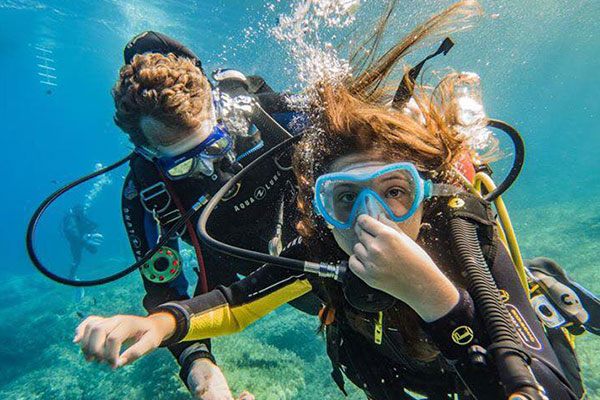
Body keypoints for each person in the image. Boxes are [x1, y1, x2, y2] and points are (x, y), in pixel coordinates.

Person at [73, 3, 594, 399]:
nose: (373, 221)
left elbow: (359, 132)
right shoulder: (160, 197)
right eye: (344, 198)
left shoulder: (276, 123)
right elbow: (222, 302)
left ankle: (543, 287)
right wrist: (189, 356)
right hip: (324, 292)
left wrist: (433, 292)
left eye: (395, 192)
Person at [112, 31, 318, 400]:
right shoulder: (145, 190)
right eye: (183, 164)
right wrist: (202, 373)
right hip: (251, 284)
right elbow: (162, 288)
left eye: (215, 146)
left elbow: (356, 127)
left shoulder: (267, 116)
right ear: (146, 150)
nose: (211, 171)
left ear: (217, 110)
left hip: (326, 244)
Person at [62, 204, 103, 281]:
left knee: (92, 251)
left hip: (82, 240)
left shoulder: (80, 218)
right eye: (82, 211)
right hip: (76, 242)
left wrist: (91, 233)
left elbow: (89, 225)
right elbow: (73, 232)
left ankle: (71, 276)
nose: (83, 212)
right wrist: (85, 239)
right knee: (77, 259)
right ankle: (71, 277)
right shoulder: (71, 219)